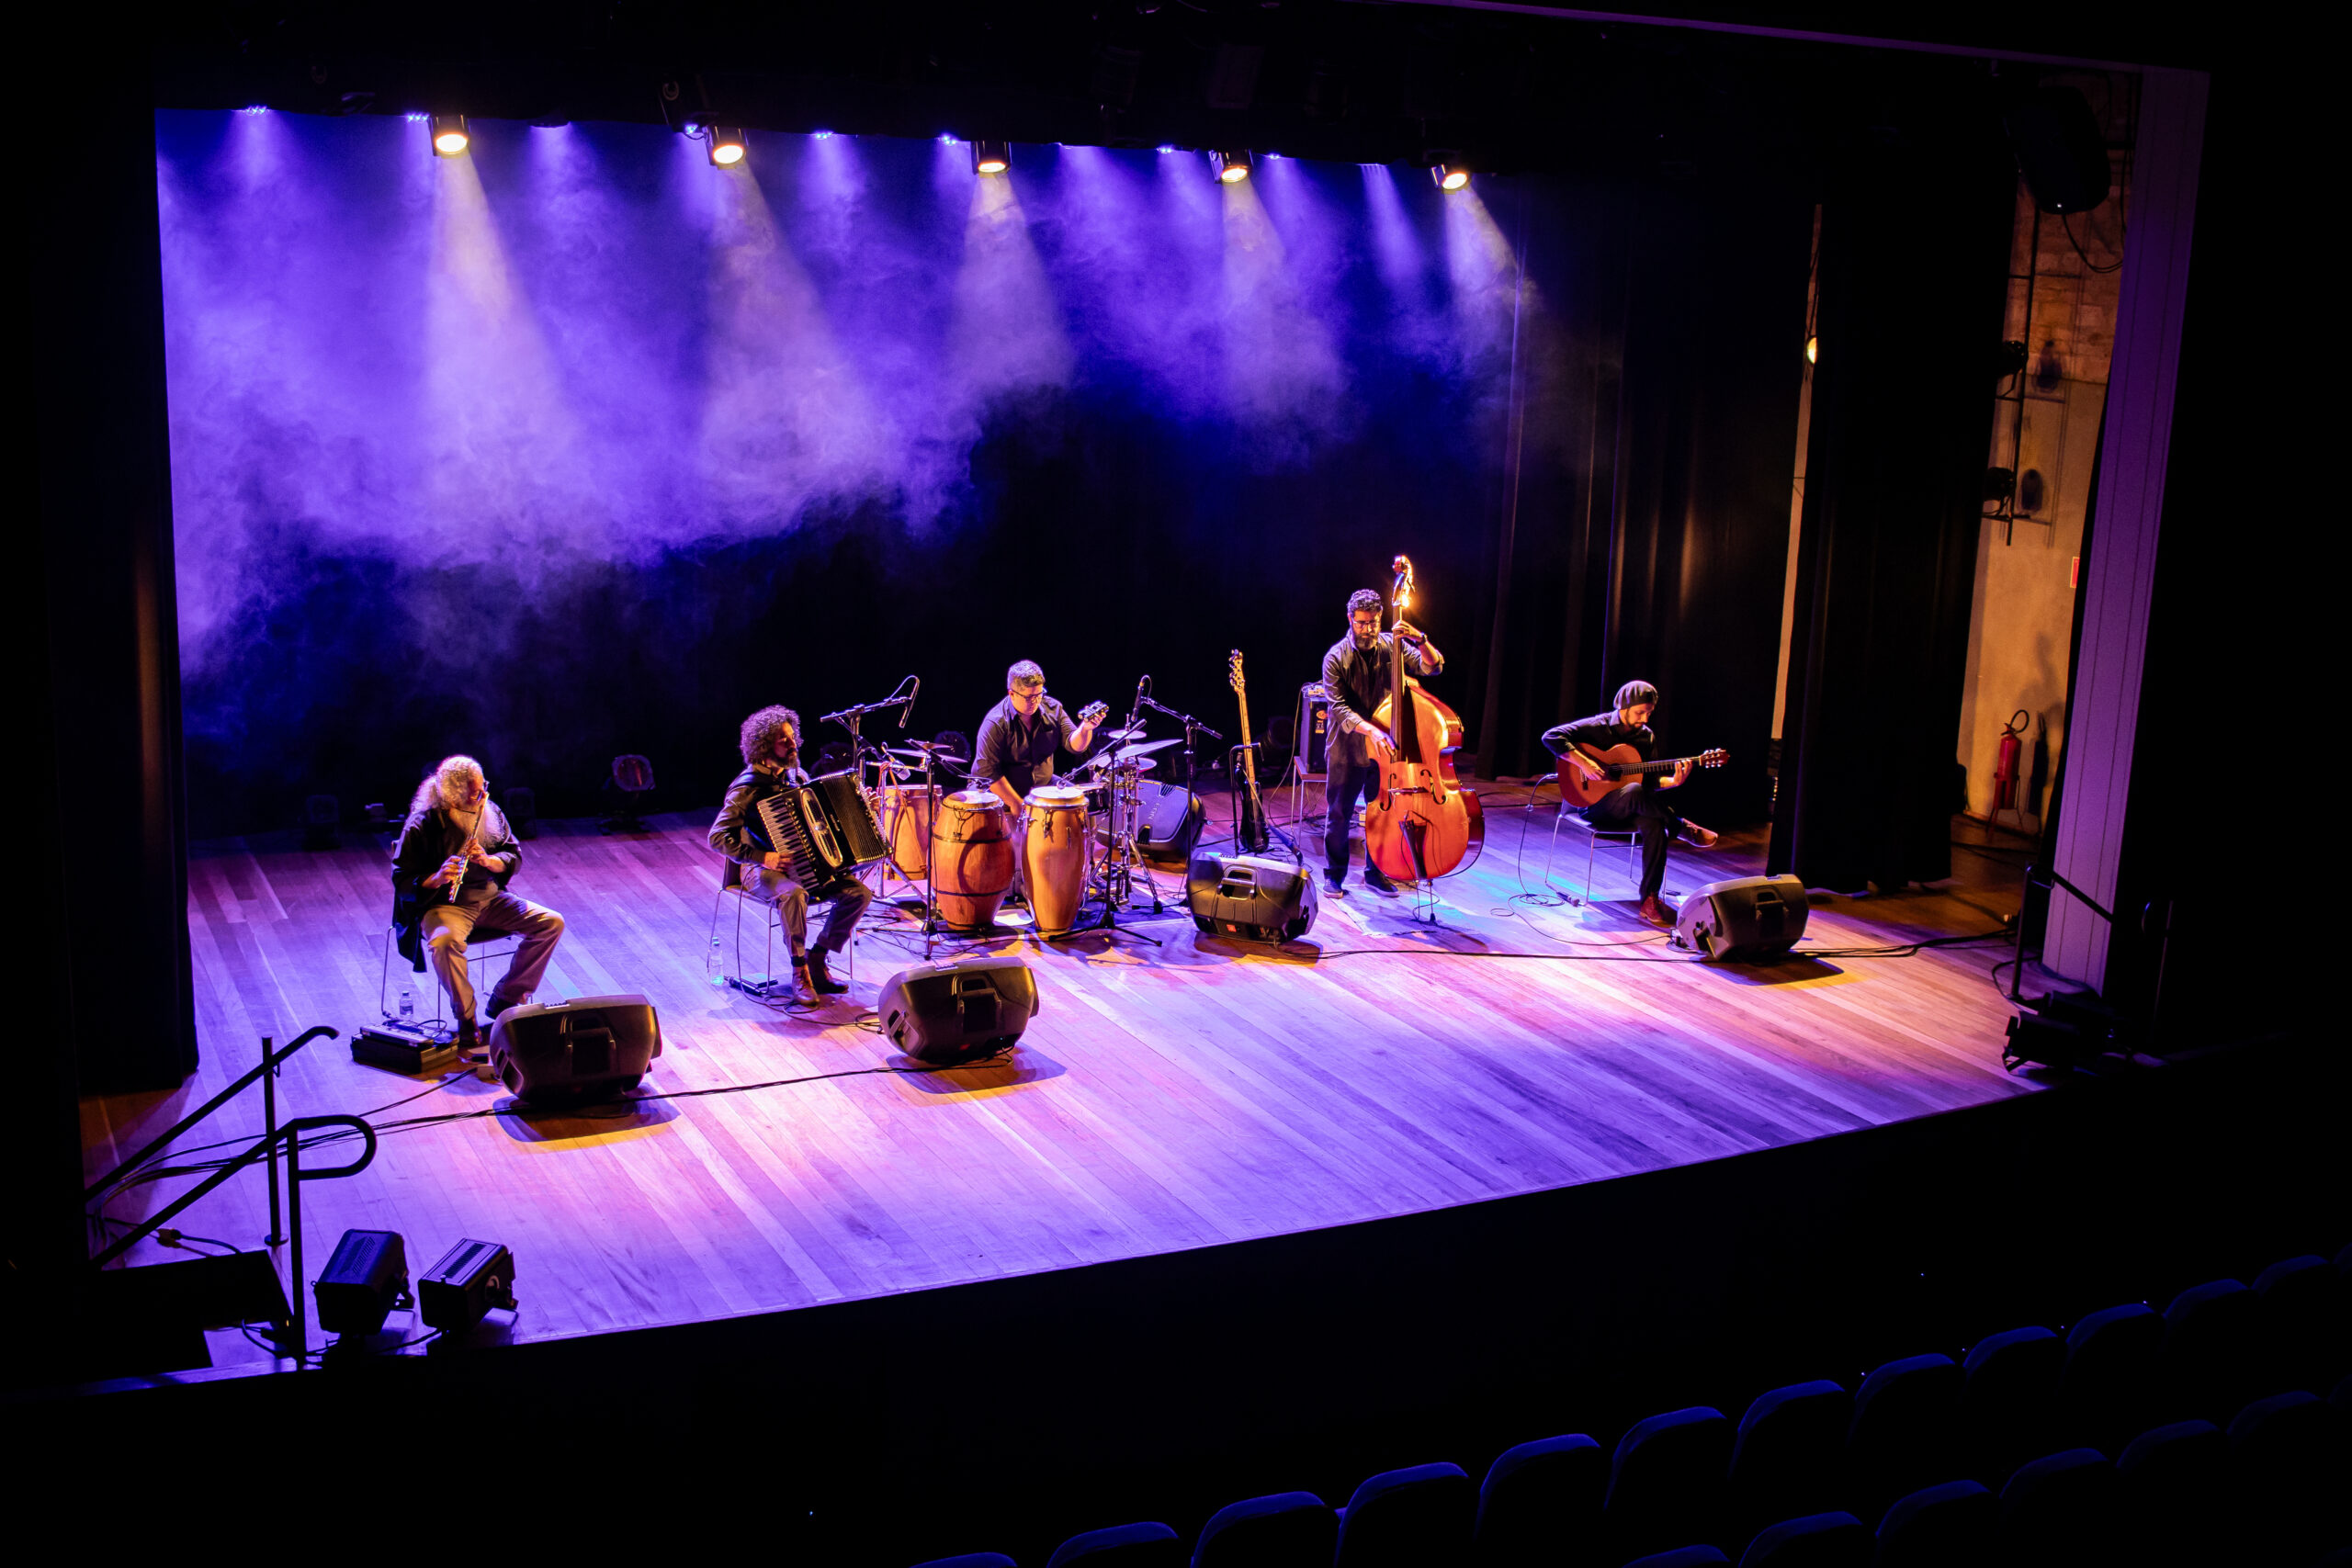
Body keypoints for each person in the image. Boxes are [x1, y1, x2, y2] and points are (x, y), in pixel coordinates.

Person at [391, 754, 567, 1052]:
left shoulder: (490, 810)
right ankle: (466, 1017)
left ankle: (507, 998)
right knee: (444, 943)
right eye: (474, 792)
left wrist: (489, 861)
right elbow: (401, 878)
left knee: (551, 922)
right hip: (444, 906)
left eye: (483, 786)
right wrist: (436, 878)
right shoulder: (423, 824)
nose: (482, 795)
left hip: (490, 898)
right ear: (453, 795)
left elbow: (513, 854)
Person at [710, 705, 876, 999]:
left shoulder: (796, 777)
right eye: (783, 739)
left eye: (792, 736)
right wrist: (763, 857)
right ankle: (799, 970)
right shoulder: (746, 789)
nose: (793, 743)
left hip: (806, 865)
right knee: (794, 894)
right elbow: (717, 837)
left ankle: (817, 957)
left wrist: (862, 809)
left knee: (858, 893)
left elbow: (822, 824)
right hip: (758, 869)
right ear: (763, 746)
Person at [1543, 680, 1718, 929]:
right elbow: (1550, 736)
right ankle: (1679, 826)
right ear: (1623, 706)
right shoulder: (1597, 727)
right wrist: (1584, 762)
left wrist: (1673, 782)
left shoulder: (1646, 737)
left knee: (1654, 825)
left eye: (1649, 713)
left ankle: (1649, 899)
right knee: (1636, 793)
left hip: (1631, 805)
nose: (1644, 719)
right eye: (1640, 712)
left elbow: (1649, 783)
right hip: (1594, 806)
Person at [1320, 588, 1446, 895]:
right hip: (1347, 749)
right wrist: (1372, 730)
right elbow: (1339, 708)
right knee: (1339, 814)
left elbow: (1433, 667)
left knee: (1382, 814)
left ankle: (1376, 872)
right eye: (1362, 623)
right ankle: (1334, 875)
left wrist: (1421, 640)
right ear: (1350, 619)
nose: (1368, 629)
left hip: (1385, 752)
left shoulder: (1393, 645)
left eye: (1374, 622)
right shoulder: (1335, 658)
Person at [972, 662, 1103, 898]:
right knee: (1016, 829)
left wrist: (1086, 728)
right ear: (1012, 693)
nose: (1035, 701)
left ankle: (1071, 873)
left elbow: (1074, 745)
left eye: (1039, 694)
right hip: (1002, 788)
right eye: (1029, 697)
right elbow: (988, 773)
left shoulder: (1053, 708)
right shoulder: (995, 723)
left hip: (1041, 785)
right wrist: (1017, 805)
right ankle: (1019, 881)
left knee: (1080, 803)